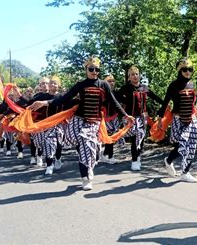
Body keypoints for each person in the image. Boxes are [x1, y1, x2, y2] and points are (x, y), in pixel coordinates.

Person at [29, 57, 134, 190]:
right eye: (91, 69)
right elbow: (63, 98)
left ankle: (90, 168)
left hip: (95, 123)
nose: (94, 72)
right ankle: (86, 178)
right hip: (79, 122)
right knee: (85, 146)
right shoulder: (81, 84)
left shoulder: (104, 84)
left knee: (93, 151)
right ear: (86, 70)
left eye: (97, 69)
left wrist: (126, 115)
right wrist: (45, 102)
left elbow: (114, 102)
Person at [158, 58, 197, 183]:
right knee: (181, 145)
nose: (188, 72)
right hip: (178, 119)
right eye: (185, 70)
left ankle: (185, 172)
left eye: (190, 69)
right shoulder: (174, 85)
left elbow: (193, 101)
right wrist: (160, 119)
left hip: (191, 120)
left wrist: (195, 112)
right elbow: (165, 102)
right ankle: (169, 160)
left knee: (191, 146)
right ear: (180, 70)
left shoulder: (192, 83)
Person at [119, 66, 163, 171]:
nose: (135, 76)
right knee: (135, 138)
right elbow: (116, 96)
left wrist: (165, 104)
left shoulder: (144, 87)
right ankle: (134, 161)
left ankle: (137, 157)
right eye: (132, 74)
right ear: (129, 77)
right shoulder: (126, 88)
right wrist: (126, 102)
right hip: (131, 118)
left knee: (140, 139)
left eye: (137, 74)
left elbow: (155, 97)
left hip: (143, 118)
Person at [100, 74, 124, 164]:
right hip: (105, 118)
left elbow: (126, 101)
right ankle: (110, 157)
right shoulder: (102, 94)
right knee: (110, 137)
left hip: (114, 118)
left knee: (112, 137)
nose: (112, 83)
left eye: (113, 81)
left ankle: (105, 155)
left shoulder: (117, 93)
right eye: (109, 81)